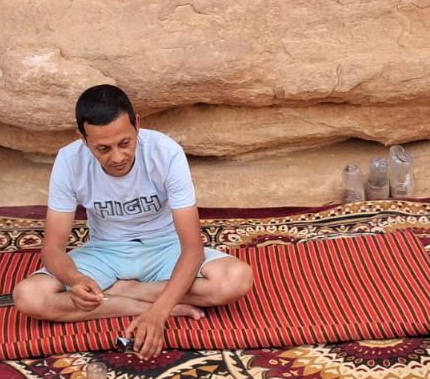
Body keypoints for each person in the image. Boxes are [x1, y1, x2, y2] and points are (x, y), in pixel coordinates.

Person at [14, 84, 253, 357]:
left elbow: (192, 249)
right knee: (29, 297)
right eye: (103, 148)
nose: (117, 157)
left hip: (165, 248)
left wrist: (159, 315)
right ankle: (135, 303)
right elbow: (53, 249)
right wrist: (77, 280)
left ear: (137, 125)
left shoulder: (166, 152)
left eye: (124, 143)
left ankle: (120, 291)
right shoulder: (69, 160)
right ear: (83, 139)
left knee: (235, 279)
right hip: (105, 252)